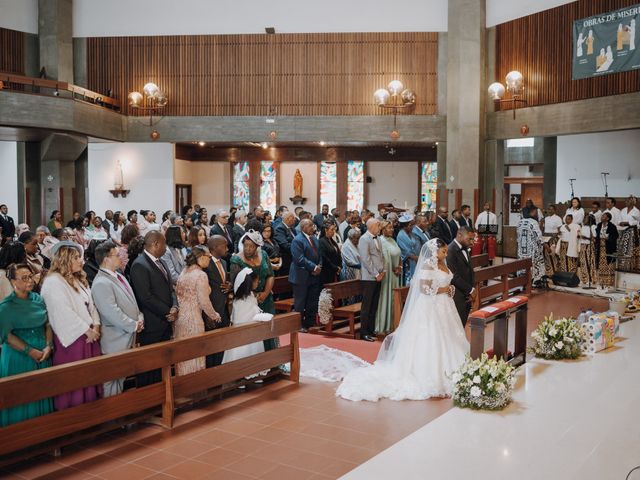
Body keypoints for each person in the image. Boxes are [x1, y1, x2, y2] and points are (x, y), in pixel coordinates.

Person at [336, 238, 469, 401]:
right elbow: (424, 288)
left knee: (448, 338)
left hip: (445, 307)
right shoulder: (428, 265)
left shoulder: (444, 264)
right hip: (430, 308)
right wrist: (444, 289)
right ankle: (431, 374)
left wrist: (450, 289)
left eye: (446, 251)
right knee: (431, 338)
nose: (446, 254)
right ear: (435, 251)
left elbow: (446, 280)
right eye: (443, 251)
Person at [40, 241, 103, 409]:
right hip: (74, 340)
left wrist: (96, 325)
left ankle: (91, 414)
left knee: (90, 377)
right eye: (76, 258)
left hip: (89, 336)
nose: (81, 261)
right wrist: (86, 330)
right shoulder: (53, 282)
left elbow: (91, 304)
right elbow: (61, 312)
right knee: (75, 381)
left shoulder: (76, 279)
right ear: (65, 259)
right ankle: (73, 419)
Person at [0, 263, 53, 426]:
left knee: (42, 392)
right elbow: (7, 336)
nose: (30, 281)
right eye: (24, 278)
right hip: (20, 356)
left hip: (43, 352)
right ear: (13, 282)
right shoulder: (6, 307)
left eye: (30, 276)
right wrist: (30, 351)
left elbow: (48, 324)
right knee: (22, 396)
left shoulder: (38, 299)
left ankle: (45, 433)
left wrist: (49, 345)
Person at [91, 241, 144, 396]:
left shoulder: (119, 276)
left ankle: (119, 415)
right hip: (114, 338)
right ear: (106, 259)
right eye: (117, 255)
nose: (121, 257)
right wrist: (133, 325)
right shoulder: (101, 282)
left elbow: (132, 301)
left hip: (126, 335)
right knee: (111, 380)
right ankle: (111, 416)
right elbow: (111, 312)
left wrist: (139, 317)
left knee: (120, 379)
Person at [129, 231, 177, 386]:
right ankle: (148, 401)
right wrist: (166, 311)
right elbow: (145, 297)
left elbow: (170, 288)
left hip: (165, 321)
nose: (166, 246)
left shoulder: (160, 262)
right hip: (152, 323)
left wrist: (174, 306)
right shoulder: (139, 264)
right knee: (149, 366)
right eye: (164, 243)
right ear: (156, 244)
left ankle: (162, 396)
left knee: (162, 365)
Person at [174, 246, 221, 376]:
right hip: (194, 319)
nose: (209, 260)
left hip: (181, 320)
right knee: (195, 353)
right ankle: (196, 387)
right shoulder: (201, 275)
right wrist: (214, 315)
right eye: (208, 257)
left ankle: (184, 384)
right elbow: (204, 301)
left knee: (184, 355)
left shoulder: (184, 272)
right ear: (200, 257)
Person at [230, 230, 277, 350]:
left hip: (265, 298)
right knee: (254, 332)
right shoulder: (236, 259)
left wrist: (266, 293)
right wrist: (254, 295)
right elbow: (236, 284)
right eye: (245, 245)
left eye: (251, 246)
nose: (248, 249)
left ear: (257, 246)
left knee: (269, 329)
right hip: (248, 300)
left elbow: (270, 275)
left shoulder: (264, 255)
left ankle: (272, 360)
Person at [222, 268, 270, 378]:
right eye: (256, 281)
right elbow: (243, 317)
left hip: (253, 333)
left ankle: (254, 372)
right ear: (250, 283)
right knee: (243, 351)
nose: (258, 283)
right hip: (243, 333)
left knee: (253, 349)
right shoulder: (240, 301)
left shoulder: (250, 296)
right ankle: (240, 375)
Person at [289, 219, 322, 332]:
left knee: (312, 301)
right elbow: (299, 259)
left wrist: (319, 266)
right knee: (300, 302)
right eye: (310, 225)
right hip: (301, 276)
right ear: (303, 227)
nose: (313, 227)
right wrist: (313, 267)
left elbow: (319, 254)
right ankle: (299, 325)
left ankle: (309, 322)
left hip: (314, 275)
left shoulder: (314, 239)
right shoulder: (297, 240)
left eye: (313, 225)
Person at [205, 236, 233, 367]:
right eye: (224, 245)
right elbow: (203, 291)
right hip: (212, 311)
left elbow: (224, 283)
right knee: (212, 348)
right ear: (215, 247)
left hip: (224, 309)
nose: (227, 248)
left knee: (223, 345)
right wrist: (207, 315)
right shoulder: (206, 263)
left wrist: (229, 286)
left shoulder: (223, 262)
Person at [358, 218, 385, 342]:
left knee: (374, 305)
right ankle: (364, 332)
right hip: (369, 277)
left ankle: (371, 329)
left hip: (378, 275)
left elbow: (381, 255)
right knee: (367, 306)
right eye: (378, 226)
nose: (380, 228)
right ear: (371, 227)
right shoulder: (364, 239)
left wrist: (383, 270)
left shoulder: (378, 238)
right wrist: (375, 274)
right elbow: (365, 259)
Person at [375, 220, 402, 334]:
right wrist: (392, 268)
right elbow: (382, 260)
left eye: (392, 228)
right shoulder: (380, 241)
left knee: (395, 299)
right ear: (383, 229)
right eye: (389, 228)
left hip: (396, 275)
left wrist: (399, 266)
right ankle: (383, 326)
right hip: (387, 276)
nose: (392, 229)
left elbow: (399, 255)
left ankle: (393, 324)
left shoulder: (392, 240)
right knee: (386, 298)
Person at [447, 227, 476, 327]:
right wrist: (470, 290)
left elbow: (469, 271)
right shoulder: (450, 250)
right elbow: (453, 276)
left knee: (461, 326)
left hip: (466, 295)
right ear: (459, 235)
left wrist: (471, 289)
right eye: (470, 239)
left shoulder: (464, 247)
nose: (472, 243)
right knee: (456, 327)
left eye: (473, 239)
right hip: (457, 296)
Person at [516, 209, 545, 285]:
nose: (536, 214)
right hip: (532, 249)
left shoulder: (520, 222)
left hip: (522, 249)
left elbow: (518, 236)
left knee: (522, 264)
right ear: (530, 213)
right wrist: (545, 245)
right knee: (535, 264)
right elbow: (538, 236)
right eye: (534, 212)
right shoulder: (533, 222)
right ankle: (535, 281)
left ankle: (522, 280)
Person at [595, 212, 619, 287]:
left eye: (603, 216)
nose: (602, 217)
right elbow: (597, 234)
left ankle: (609, 282)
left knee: (609, 264)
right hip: (600, 247)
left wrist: (609, 238)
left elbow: (616, 236)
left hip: (609, 247)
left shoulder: (612, 226)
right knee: (601, 264)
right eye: (602, 216)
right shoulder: (599, 225)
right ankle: (601, 281)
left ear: (608, 218)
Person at [396, 214, 420, 285]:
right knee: (409, 281)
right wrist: (416, 258)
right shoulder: (401, 235)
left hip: (415, 259)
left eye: (412, 225)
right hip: (407, 262)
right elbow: (405, 251)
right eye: (410, 225)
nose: (412, 227)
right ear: (405, 226)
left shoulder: (411, 233)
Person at [618, 196, 640, 272]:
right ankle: (622, 266)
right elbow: (619, 219)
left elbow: (636, 222)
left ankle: (629, 266)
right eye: (626, 201)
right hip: (622, 231)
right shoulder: (623, 210)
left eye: (627, 201)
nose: (626, 202)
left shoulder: (636, 211)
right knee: (622, 249)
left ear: (632, 202)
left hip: (631, 231)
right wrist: (620, 223)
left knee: (629, 249)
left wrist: (627, 223)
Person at [318, 220, 342, 286]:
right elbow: (324, 258)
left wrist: (339, 266)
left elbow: (338, 254)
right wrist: (335, 267)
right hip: (327, 271)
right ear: (326, 230)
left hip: (335, 270)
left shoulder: (332, 240)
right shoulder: (321, 241)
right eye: (332, 230)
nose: (334, 232)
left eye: (334, 230)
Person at [543, 205, 562, 277]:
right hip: (545, 238)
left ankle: (555, 272)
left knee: (553, 255)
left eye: (551, 209)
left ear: (555, 210)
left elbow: (560, 231)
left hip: (553, 239)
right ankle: (548, 272)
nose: (550, 211)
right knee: (546, 255)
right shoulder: (546, 218)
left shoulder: (558, 218)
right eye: (548, 209)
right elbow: (544, 229)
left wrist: (553, 237)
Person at [577, 214, 597, 286]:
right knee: (583, 263)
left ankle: (592, 279)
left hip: (589, 246)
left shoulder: (593, 227)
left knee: (590, 263)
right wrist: (579, 236)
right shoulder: (583, 227)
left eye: (586, 218)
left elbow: (594, 239)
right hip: (582, 246)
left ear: (590, 220)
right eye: (584, 218)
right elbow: (580, 237)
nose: (584, 220)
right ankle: (585, 279)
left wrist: (586, 238)